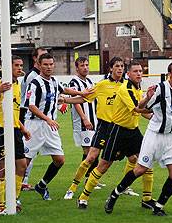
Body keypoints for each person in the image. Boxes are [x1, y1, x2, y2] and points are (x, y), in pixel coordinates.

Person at [104, 61, 172, 216]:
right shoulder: (160, 89)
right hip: (154, 135)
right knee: (140, 169)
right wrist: (147, 97)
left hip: (171, 138)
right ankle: (115, 194)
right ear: (169, 74)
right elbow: (140, 107)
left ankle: (159, 206)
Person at [64, 61, 154, 209]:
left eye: (140, 71)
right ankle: (80, 194)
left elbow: (140, 108)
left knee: (144, 161)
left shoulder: (136, 88)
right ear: (112, 69)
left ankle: (146, 198)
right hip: (112, 128)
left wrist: (155, 117)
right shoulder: (111, 86)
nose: (139, 73)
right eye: (117, 66)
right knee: (99, 162)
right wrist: (65, 100)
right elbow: (85, 98)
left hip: (132, 130)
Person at [23, 53, 91, 200]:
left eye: (51, 64)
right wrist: (48, 119)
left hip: (50, 127)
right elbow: (31, 106)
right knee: (25, 161)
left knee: (60, 160)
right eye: (45, 64)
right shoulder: (34, 83)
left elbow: (65, 90)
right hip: (34, 125)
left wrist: (81, 93)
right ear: (39, 65)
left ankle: (41, 185)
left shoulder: (54, 81)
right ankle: (14, 195)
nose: (48, 67)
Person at [0, 56, 31, 214]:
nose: (20, 68)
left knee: (22, 165)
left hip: (15, 129)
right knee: (3, 168)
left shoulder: (17, 84)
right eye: (16, 65)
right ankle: (0, 204)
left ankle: (14, 199)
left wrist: (22, 128)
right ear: (8, 67)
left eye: (21, 65)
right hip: (0, 129)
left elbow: (14, 110)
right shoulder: (1, 83)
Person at [65, 57, 102, 197]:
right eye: (82, 65)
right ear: (77, 68)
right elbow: (76, 101)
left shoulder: (90, 81)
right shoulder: (74, 82)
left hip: (94, 121)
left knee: (95, 150)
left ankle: (91, 178)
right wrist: (84, 118)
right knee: (88, 152)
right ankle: (87, 179)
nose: (85, 67)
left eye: (87, 65)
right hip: (83, 122)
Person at [20, 47, 48, 191]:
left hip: (34, 115)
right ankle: (20, 181)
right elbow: (31, 102)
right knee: (27, 151)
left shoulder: (40, 76)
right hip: (27, 115)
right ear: (35, 59)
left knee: (31, 151)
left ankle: (22, 181)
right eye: (43, 56)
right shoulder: (33, 76)